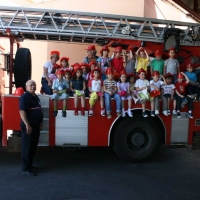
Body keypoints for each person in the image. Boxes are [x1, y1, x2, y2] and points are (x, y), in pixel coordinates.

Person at [19, 80, 43, 176]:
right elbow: (22, 111)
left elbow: (38, 110)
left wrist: (40, 122)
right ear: (26, 87)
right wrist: (27, 125)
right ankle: (26, 168)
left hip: (36, 126)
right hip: (29, 126)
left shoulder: (35, 97)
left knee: (33, 147)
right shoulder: (24, 97)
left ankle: (30, 166)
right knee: (27, 147)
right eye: (31, 85)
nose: (33, 87)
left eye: (34, 85)